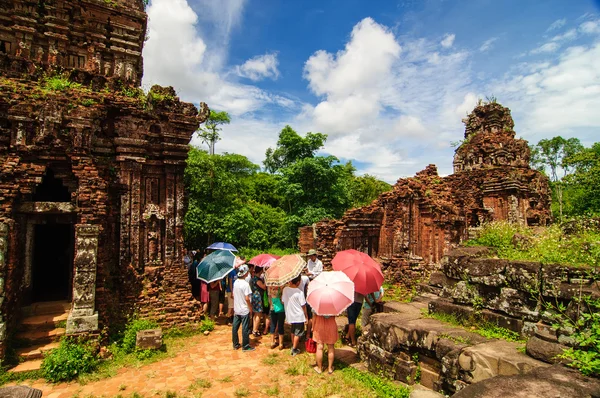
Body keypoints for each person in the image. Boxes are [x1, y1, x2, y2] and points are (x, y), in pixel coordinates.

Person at [282, 275, 308, 356]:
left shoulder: (285, 290)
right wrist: (306, 316)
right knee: (298, 333)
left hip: (290, 315)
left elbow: (283, 301)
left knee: (293, 331)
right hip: (299, 316)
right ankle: (294, 349)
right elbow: (303, 306)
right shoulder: (299, 292)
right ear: (298, 282)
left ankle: (293, 345)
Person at [232, 264, 254, 351]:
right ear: (245, 273)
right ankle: (245, 346)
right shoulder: (246, 284)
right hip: (244, 309)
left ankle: (235, 344)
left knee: (235, 327)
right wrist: (250, 308)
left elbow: (233, 295)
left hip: (237, 309)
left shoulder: (236, 283)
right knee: (245, 328)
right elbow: (247, 298)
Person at [249, 265, 267, 336]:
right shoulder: (257, 280)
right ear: (260, 271)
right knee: (258, 314)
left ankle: (254, 329)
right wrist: (265, 280)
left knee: (255, 314)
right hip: (258, 297)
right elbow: (264, 287)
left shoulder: (252, 279)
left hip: (254, 296)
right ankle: (255, 330)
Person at [268, 285, 285, 350]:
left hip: (272, 308)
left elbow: (269, 299)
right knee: (280, 325)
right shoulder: (281, 289)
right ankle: (281, 343)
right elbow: (282, 300)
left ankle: (272, 342)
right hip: (281, 309)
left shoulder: (270, 288)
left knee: (273, 325)